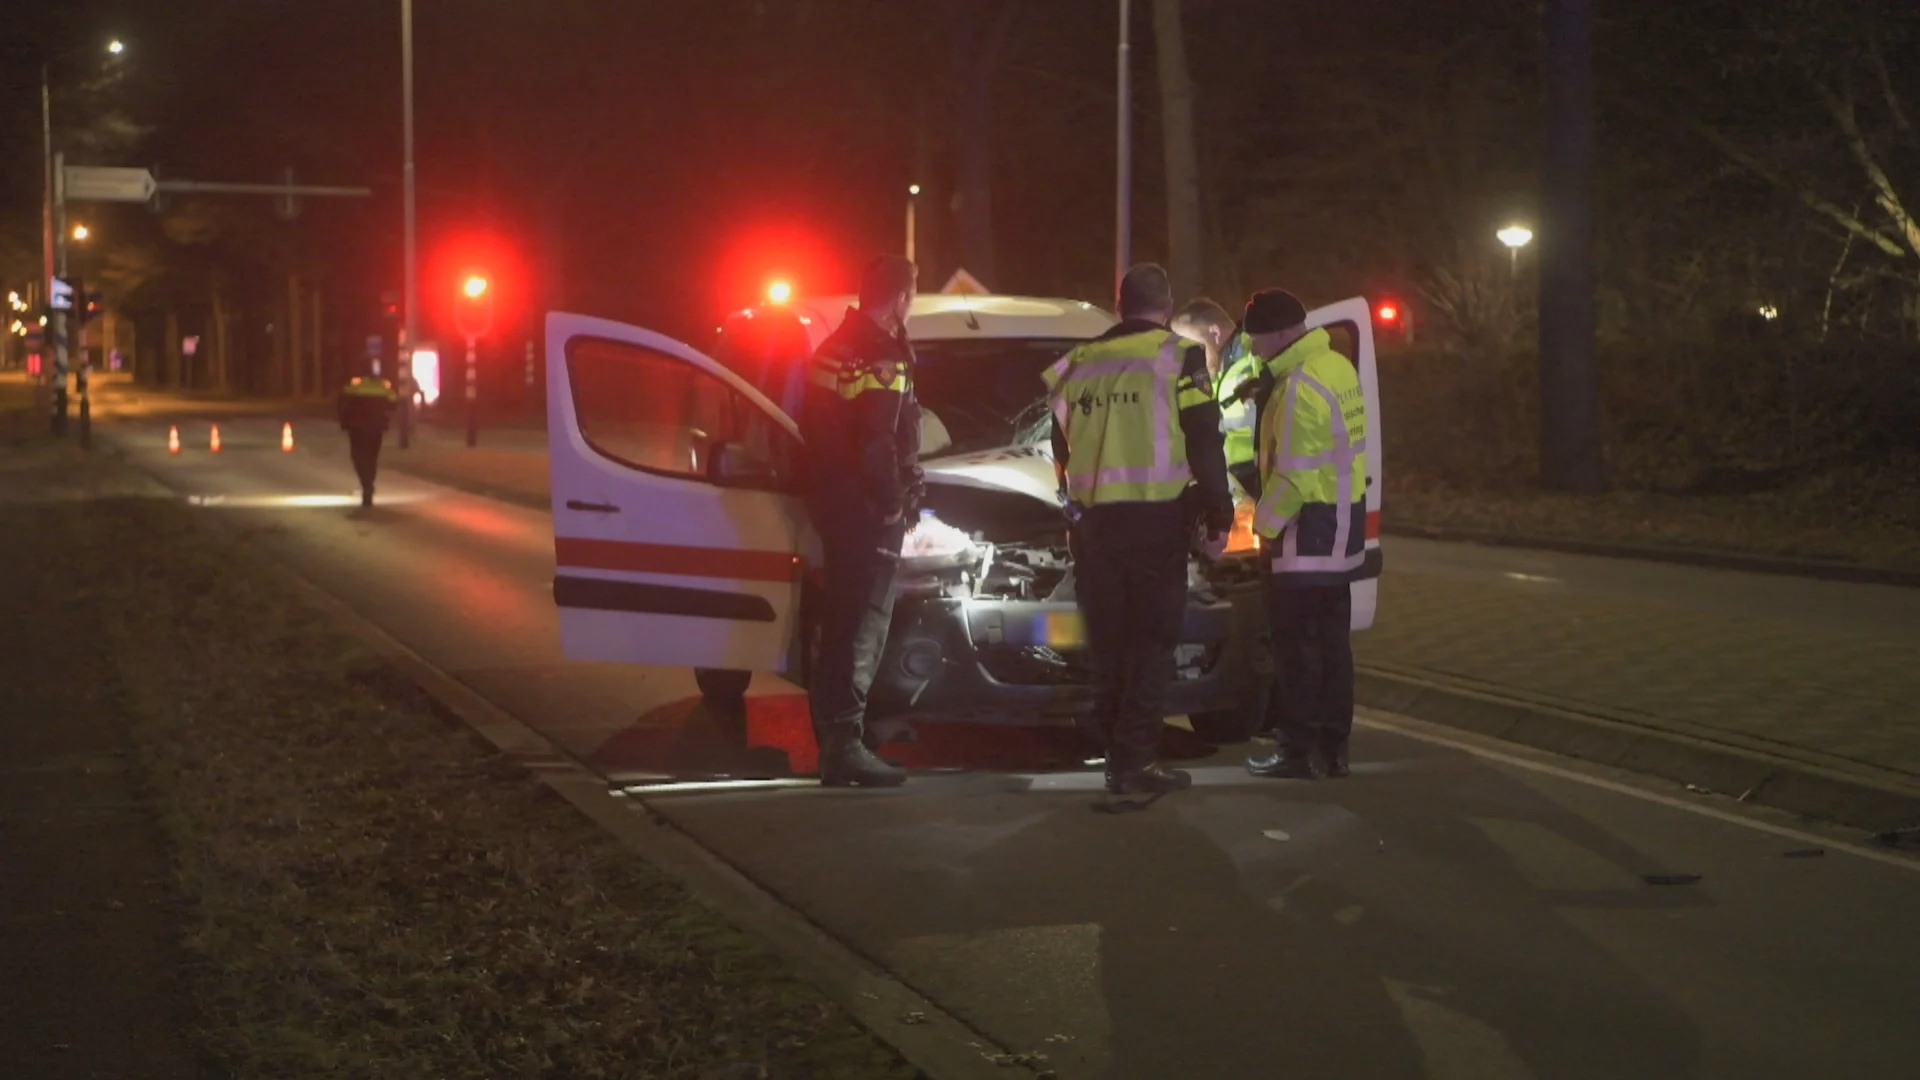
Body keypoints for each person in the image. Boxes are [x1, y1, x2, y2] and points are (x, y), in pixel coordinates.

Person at [1044, 264, 1234, 795]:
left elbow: (1060, 446)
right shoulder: (1179, 356)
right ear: (1167, 307)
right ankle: (1133, 765)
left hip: (1095, 528)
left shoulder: (1079, 362)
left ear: (1119, 303)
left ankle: (1114, 754)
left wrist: (1074, 507)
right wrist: (1220, 512)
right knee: (1151, 646)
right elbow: (1204, 438)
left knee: (1108, 646)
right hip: (1154, 524)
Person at [798, 254, 924, 787]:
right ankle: (844, 746)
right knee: (861, 627)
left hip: (834, 503)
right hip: (867, 511)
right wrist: (894, 500)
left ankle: (844, 738)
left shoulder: (833, 348)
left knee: (844, 623)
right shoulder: (880, 356)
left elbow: (823, 430)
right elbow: (877, 440)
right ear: (901, 298)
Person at [1240, 289, 1368, 780]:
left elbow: (1292, 476)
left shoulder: (1297, 386)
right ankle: (1334, 750)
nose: (1253, 349)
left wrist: (1263, 529)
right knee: (1334, 646)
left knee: (1296, 650)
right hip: (1342, 528)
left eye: (1256, 339)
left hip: (1304, 534)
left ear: (1280, 333)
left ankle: (1296, 751)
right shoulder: (1336, 367)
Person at [1172, 298, 1262, 500]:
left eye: (1194, 347)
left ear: (1214, 332)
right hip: (1242, 488)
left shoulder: (1256, 359)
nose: (1188, 358)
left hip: (1263, 486)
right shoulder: (1219, 371)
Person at [337, 372, 399, 507]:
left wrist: (344, 423)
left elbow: (342, 403)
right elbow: (394, 403)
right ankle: (369, 482)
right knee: (372, 457)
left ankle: (366, 483)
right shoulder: (382, 386)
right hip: (376, 428)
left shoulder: (354, 386)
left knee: (358, 456)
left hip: (357, 427)